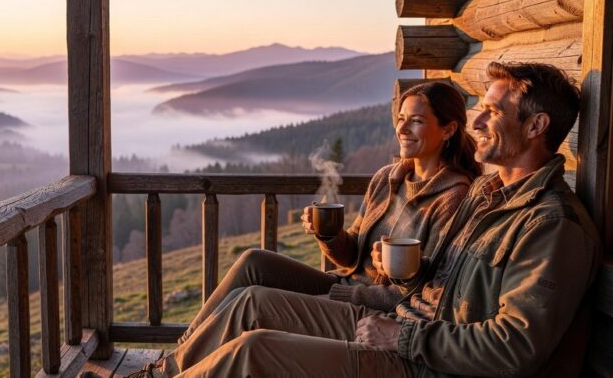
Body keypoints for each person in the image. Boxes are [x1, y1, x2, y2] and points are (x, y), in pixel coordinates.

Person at [135, 62, 600, 378]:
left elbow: (515, 346)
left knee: (253, 349)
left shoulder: (551, 226)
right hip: (400, 325)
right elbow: (438, 279)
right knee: (250, 301)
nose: (478, 120)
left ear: (537, 126)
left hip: (421, 361)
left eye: (493, 111)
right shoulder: (487, 193)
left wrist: (402, 332)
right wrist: (391, 267)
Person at [175, 81, 480, 347]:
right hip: (345, 286)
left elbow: (426, 292)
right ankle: (182, 350)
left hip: (377, 308)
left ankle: (170, 371)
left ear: (448, 130)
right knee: (253, 261)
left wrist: (344, 294)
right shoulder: (387, 178)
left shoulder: (453, 198)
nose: (401, 129)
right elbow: (350, 258)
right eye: (400, 119)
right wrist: (329, 235)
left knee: (254, 300)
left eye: (415, 121)